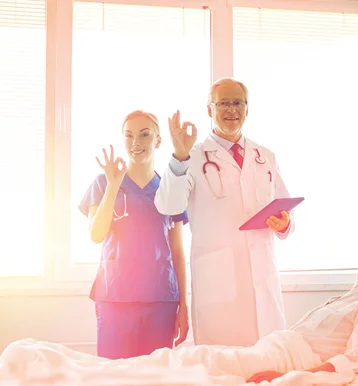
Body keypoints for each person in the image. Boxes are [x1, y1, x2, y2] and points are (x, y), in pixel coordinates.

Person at [154, 78, 295, 347]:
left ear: (247, 109)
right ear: (209, 109)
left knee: (270, 363)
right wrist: (179, 156)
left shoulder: (264, 156)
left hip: (262, 277)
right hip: (218, 281)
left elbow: (285, 211)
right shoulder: (192, 156)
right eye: (224, 103)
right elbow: (169, 206)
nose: (232, 110)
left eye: (238, 103)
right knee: (223, 365)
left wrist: (284, 223)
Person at [78, 110, 190, 359]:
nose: (135, 142)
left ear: (158, 141)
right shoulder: (103, 183)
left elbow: (178, 252)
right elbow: (96, 235)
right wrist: (113, 186)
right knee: (115, 376)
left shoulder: (169, 189)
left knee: (155, 376)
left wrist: (184, 305)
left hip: (161, 298)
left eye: (144, 135)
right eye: (128, 136)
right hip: (115, 297)